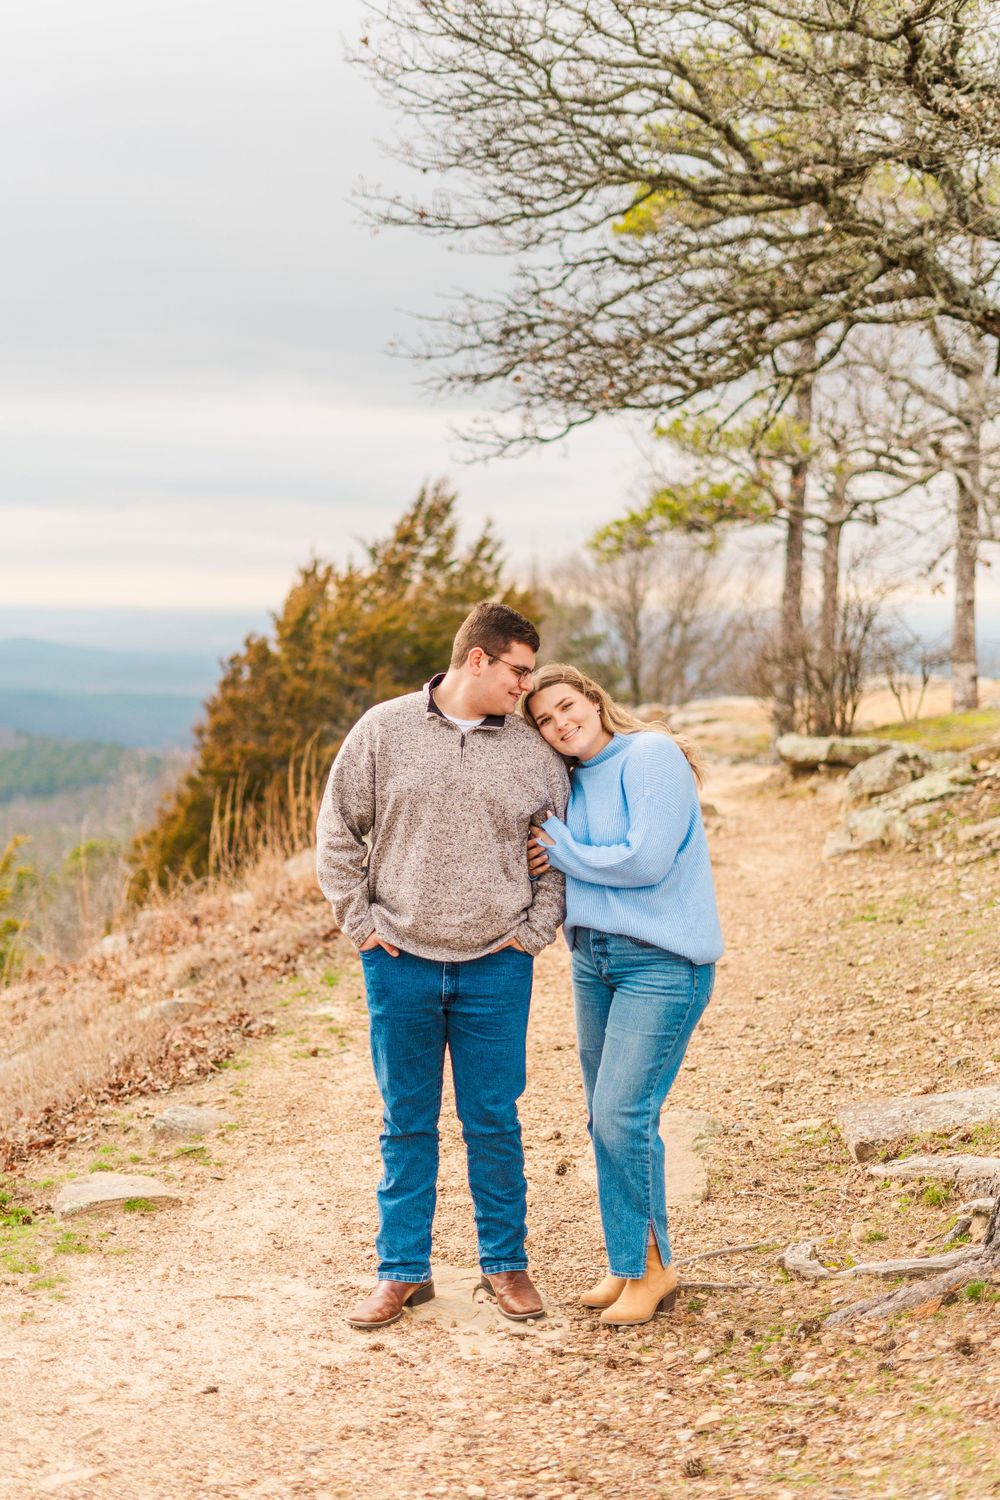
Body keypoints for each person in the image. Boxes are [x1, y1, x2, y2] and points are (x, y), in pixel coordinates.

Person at [316, 602, 569, 1330]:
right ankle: (401, 1273)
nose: (526, 688)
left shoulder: (532, 754)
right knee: (406, 1122)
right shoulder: (383, 731)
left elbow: (558, 855)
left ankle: (505, 1266)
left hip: (497, 964)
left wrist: (533, 932)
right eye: (518, 671)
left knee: (493, 1119)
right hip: (400, 962)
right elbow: (336, 833)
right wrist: (361, 926)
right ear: (478, 660)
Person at [522, 663, 723, 1327]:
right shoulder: (573, 781)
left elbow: (646, 859)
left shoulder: (651, 754)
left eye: (566, 706)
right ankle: (626, 1261)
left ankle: (653, 1270)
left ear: (593, 699)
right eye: (545, 721)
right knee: (603, 1117)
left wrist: (563, 848)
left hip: (662, 962)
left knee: (621, 1114)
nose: (560, 723)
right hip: (595, 960)